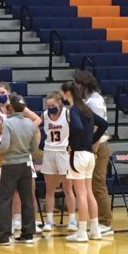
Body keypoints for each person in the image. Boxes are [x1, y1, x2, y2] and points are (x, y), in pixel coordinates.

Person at [0, 82, 42, 233]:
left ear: (9, 92)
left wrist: (27, 132)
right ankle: (12, 221)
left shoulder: (17, 106)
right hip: (2, 150)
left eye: (2, 92)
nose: (0, 95)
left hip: (19, 147)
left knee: (29, 190)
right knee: (7, 190)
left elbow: (37, 120)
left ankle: (30, 221)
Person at [60, 82, 108, 242]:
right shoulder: (86, 109)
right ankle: (95, 230)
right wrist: (91, 140)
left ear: (68, 93)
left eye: (62, 94)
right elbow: (103, 124)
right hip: (89, 154)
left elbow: (78, 128)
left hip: (78, 154)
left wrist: (73, 143)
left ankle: (82, 232)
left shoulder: (73, 110)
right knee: (89, 192)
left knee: (80, 193)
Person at [0, 93, 41, 245]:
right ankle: (28, 234)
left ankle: (4, 236)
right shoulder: (30, 123)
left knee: (6, 199)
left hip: (10, 164)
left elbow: (5, 145)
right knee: (27, 199)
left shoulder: (7, 123)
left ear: (10, 107)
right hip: (26, 164)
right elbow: (34, 148)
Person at [74, 71, 114, 236]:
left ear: (83, 85)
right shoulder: (91, 99)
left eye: (76, 83)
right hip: (93, 145)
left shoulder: (94, 102)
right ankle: (96, 220)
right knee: (92, 186)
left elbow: (97, 127)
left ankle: (105, 222)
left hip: (98, 145)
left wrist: (94, 148)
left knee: (98, 184)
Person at [41, 92, 77, 233]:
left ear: (59, 103)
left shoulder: (68, 114)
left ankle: (72, 220)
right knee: (49, 190)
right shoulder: (44, 115)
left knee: (68, 189)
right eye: (48, 106)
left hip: (63, 152)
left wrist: (72, 145)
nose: (50, 108)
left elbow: (77, 130)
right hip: (49, 152)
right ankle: (49, 221)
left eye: (53, 105)